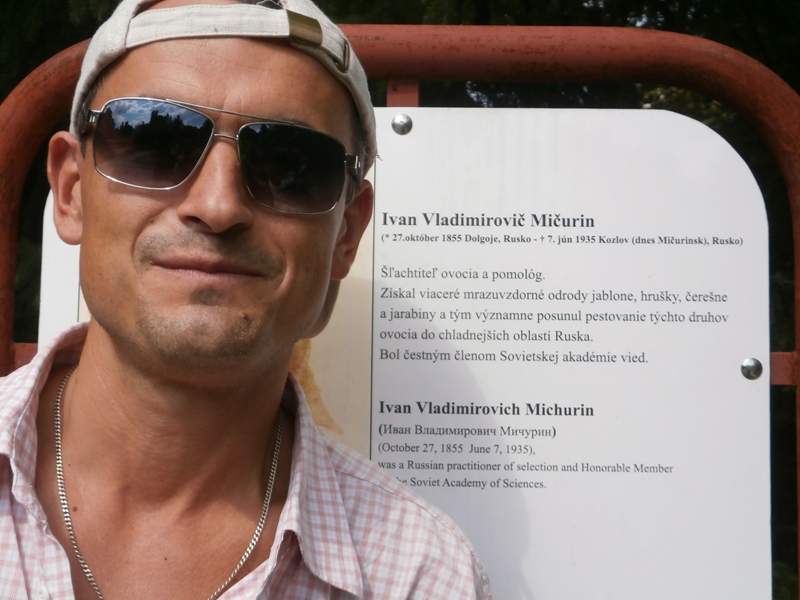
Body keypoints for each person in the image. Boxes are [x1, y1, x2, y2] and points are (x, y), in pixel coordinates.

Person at [0, 0, 492, 598]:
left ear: (346, 235)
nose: (218, 205)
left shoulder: (423, 577)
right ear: (71, 191)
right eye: (156, 140)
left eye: (289, 165)